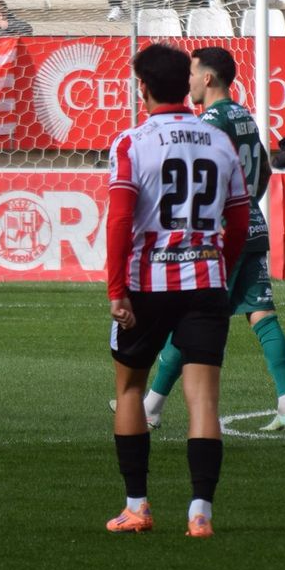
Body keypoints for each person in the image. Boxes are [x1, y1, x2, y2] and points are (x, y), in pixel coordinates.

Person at [127, 45, 285, 453]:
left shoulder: (208, 120)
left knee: (191, 317)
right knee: (262, 314)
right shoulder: (246, 115)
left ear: (207, 78)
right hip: (254, 225)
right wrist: (249, 204)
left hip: (219, 233)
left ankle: (151, 406)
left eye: (191, 74)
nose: (187, 82)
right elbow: (265, 171)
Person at [104, 43, 249, 536]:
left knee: (129, 388)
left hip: (148, 283)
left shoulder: (132, 142)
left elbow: (120, 219)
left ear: (141, 87)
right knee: (204, 401)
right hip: (205, 282)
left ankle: (137, 506)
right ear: (184, 84)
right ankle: (200, 514)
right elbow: (238, 219)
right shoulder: (219, 141)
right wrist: (218, 270)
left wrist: (116, 288)